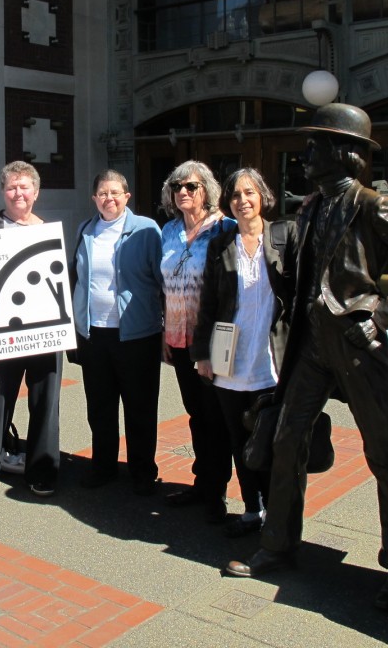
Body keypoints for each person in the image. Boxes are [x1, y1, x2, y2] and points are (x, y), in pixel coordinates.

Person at [225, 104, 388, 614]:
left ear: (342, 153)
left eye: (315, 145)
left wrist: (382, 316)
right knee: (285, 438)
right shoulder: (310, 207)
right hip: (311, 343)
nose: (305, 154)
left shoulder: (371, 205)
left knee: (385, 454)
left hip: (355, 344)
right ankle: (279, 544)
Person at [191, 168, 291, 536]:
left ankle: (277, 513)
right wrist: (203, 354)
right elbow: (209, 304)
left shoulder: (284, 237)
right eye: (234, 195)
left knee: (272, 441)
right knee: (240, 441)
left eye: (249, 193)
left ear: (263, 195)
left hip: (271, 360)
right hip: (230, 358)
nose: (242, 201)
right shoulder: (222, 244)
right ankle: (252, 508)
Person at [0, 161, 62, 497]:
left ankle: (42, 469)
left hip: (43, 333)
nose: (18, 193)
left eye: (24, 187)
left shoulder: (49, 230)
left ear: (36, 192)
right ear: (3, 192)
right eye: (11, 187)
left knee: (45, 401)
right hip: (0, 331)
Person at [71, 169, 163, 495]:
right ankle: (104, 466)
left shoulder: (146, 230)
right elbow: (76, 279)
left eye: (115, 193)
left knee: (139, 406)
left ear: (127, 196)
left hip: (137, 335)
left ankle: (142, 471)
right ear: (94, 198)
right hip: (95, 334)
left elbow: (161, 280)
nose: (108, 198)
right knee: (100, 406)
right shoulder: (85, 230)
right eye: (102, 193)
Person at [159, 160, 237, 521]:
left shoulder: (225, 229)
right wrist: (164, 329)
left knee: (216, 417)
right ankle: (201, 482)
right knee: (195, 415)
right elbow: (163, 285)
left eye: (191, 186)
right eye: (177, 187)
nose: (183, 193)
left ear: (207, 189)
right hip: (177, 336)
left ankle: (217, 491)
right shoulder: (169, 231)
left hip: (212, 340)